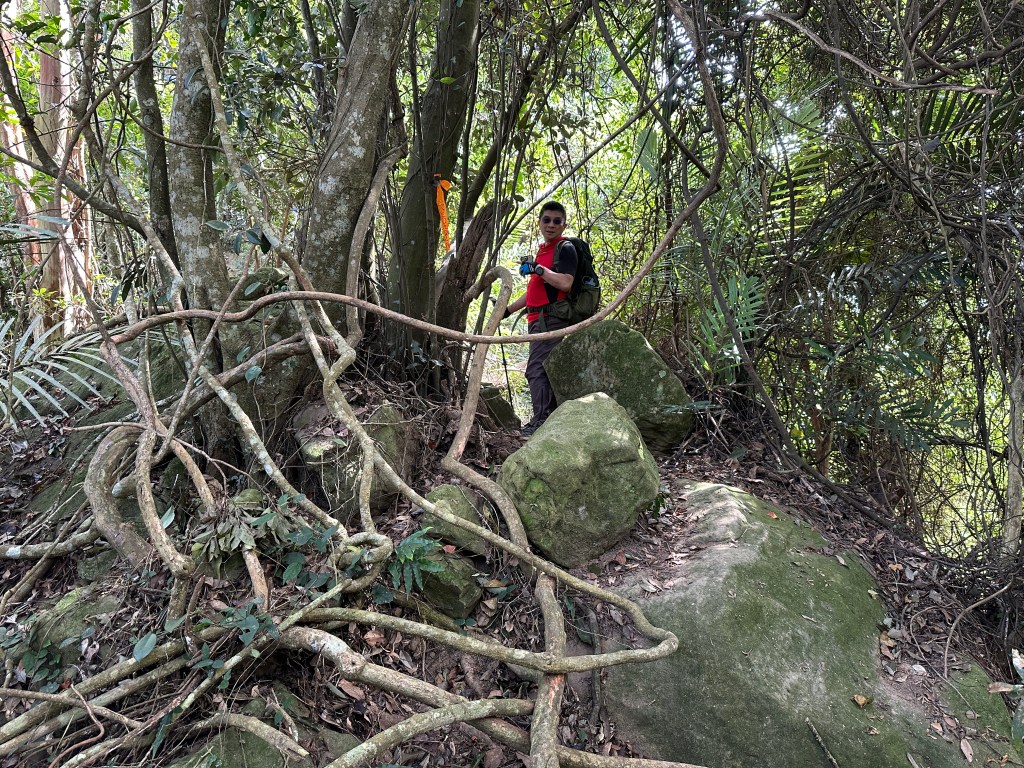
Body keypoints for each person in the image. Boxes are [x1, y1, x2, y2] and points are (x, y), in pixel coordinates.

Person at [504, 201, 577, 436]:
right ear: (539, 222)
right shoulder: (543, 251)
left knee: (536, 369)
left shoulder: (565, 248)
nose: (551, 225)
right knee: (540, 368)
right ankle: (546, 421)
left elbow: (566, 283)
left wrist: (538, 269)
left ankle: (541, 422)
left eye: (557, 221)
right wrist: (507, 310)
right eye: (546, 220)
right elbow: (534, 291)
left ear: (564, 225)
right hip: (537, 319)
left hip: (551, 318)